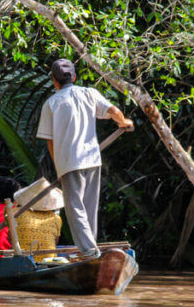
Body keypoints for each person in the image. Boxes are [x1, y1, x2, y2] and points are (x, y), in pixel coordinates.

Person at [36, 58, 133, 259]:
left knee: (75, 209)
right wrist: (124, 122)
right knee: (89, 208)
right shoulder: (89, 93)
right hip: (92, 159)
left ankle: (89, 252)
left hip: (69, 163)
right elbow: (113, 111)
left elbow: (50, 141)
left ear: (54, 81)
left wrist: (58, 166)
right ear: (74, 77)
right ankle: (89, 250)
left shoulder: (51, 103)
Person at [12, 178, 64, 261]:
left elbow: (10, 238)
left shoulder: (15, 213)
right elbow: (55, 242)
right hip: (49, 261)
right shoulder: (56, 218)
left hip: (22, 260)